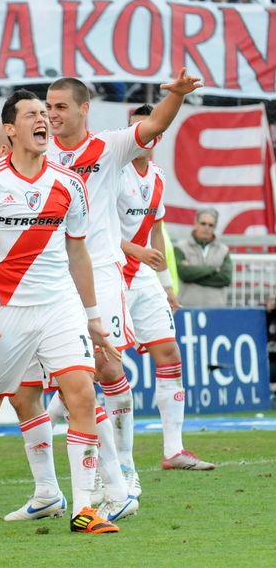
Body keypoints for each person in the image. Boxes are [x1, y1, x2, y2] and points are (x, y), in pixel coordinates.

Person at [0, 89, 121, 534]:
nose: (42, 120)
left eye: (45, 113)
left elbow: (78, 254)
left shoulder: (68, 183)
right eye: (31, 115)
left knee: (81, 392)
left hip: (59, 305)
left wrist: (93, 314)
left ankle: (85, 507)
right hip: (7, 312)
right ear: (10, 129)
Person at [118, 105, 215, 470]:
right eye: (131, 130)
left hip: (143, 276)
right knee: (103, 366)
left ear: (156, 136)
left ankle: (173, 450)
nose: (135, 137)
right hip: (110, 274)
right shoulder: (112, 173)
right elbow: (99, 232)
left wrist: (166, 284)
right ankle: (58, 411)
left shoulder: (157, 177)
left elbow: (157, 232)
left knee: (170, 356)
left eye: (142, 130)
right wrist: (135, 251)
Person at [174, 208, 232, 307]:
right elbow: (184, 274)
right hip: (187, 309)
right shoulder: (180, 247)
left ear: (215, 227)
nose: (206, 227)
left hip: (216, 310)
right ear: (195, 223)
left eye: (210, 225)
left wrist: (194, 275)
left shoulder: (223, 250)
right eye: (203, 223)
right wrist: (213, 269)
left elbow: (225, 278)